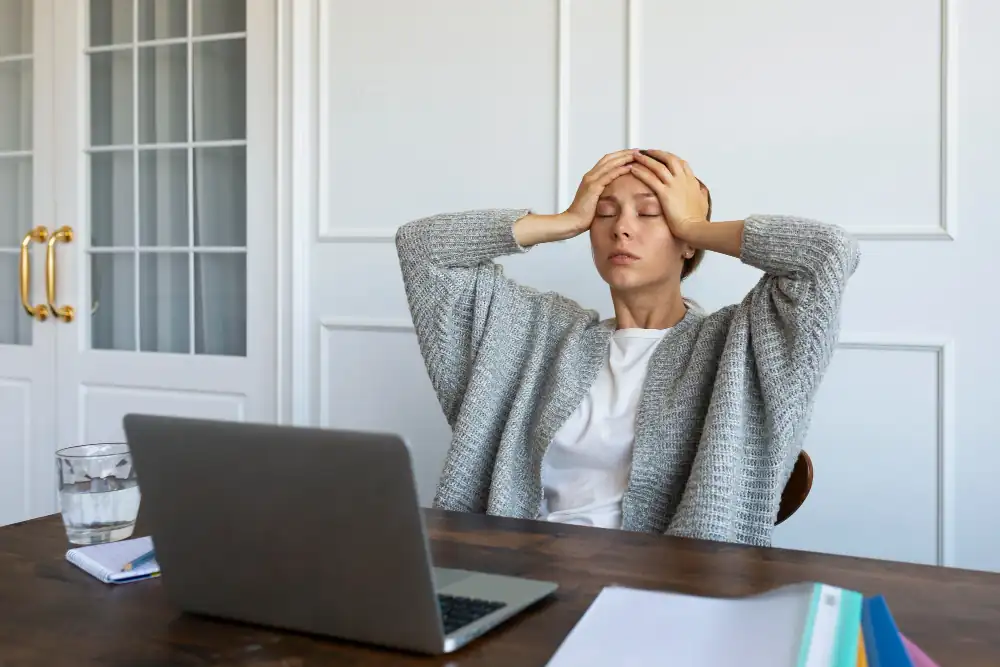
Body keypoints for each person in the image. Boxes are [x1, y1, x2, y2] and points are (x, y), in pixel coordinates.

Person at [395, 149, 860, 546]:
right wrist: (564, 220)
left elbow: (825, 254)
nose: (621, 228)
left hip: (664, 597)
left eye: (651, 213)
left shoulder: (741, 346)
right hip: (517, 576)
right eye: (605, 212)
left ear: (687, 243)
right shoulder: (537, 336)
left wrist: (692, 226)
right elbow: (422, 249)